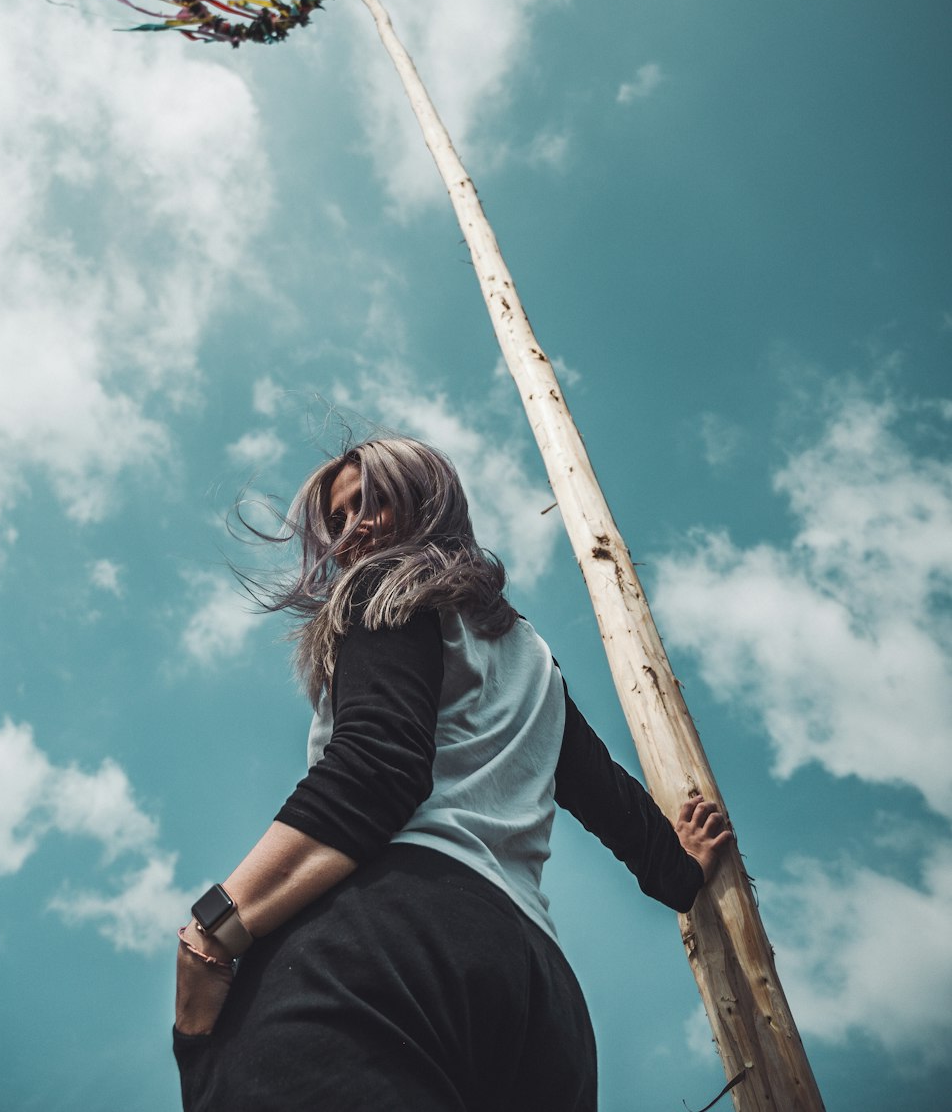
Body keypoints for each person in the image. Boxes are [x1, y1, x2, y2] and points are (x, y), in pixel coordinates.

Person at [173, 436, 731, 1112]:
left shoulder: (382, 587)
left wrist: (216, 930)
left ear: (428, 499)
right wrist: (680, 864)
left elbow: (377, 772)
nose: (357, 529)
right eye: (342, 517)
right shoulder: (532, 659)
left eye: (373, 500)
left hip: (386, 951)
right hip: (542, 1006)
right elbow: (609, 798)